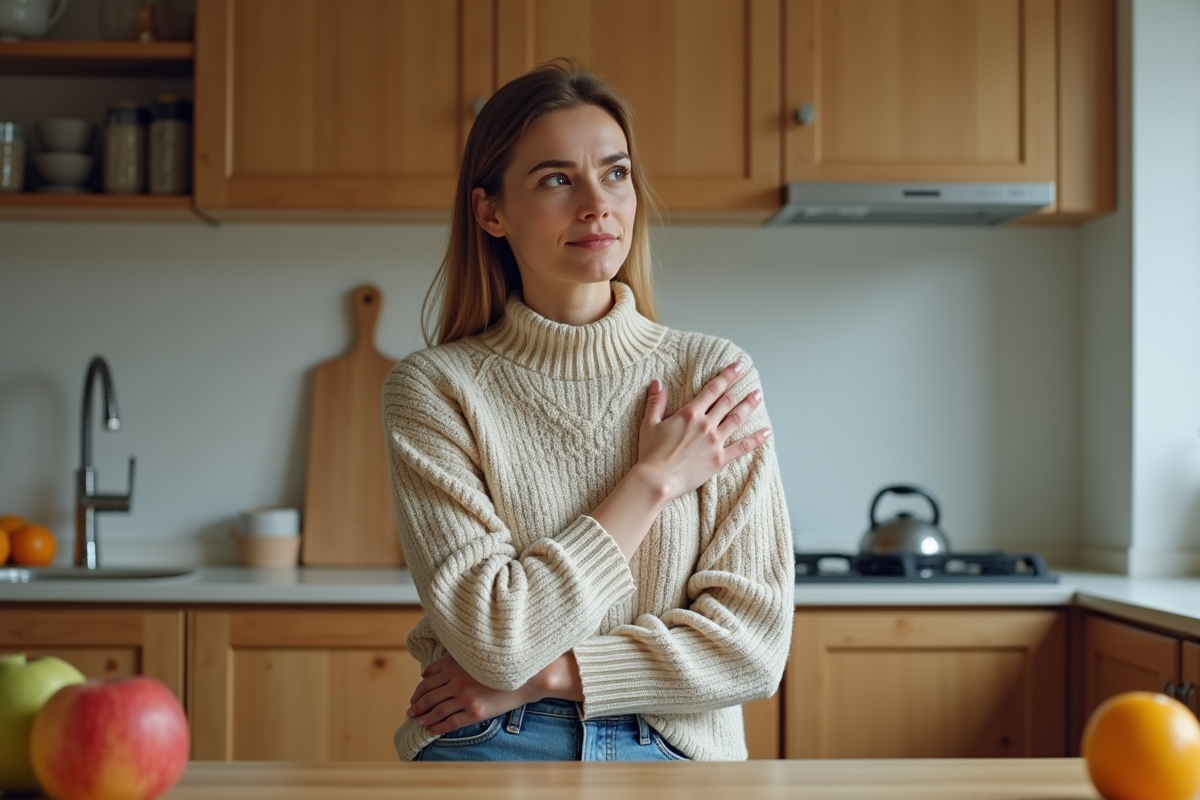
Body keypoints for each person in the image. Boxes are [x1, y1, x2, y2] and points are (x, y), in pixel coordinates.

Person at [383, 58, 793, 763]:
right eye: (555, 179)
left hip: (672, 742)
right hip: (490, 738)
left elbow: (752, 649)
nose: (597, 204)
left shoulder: (712, 375)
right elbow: (493, 637)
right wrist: (651, 482)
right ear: (491, 212)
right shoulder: (435, 388)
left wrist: (546, 675)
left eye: (616, 172)